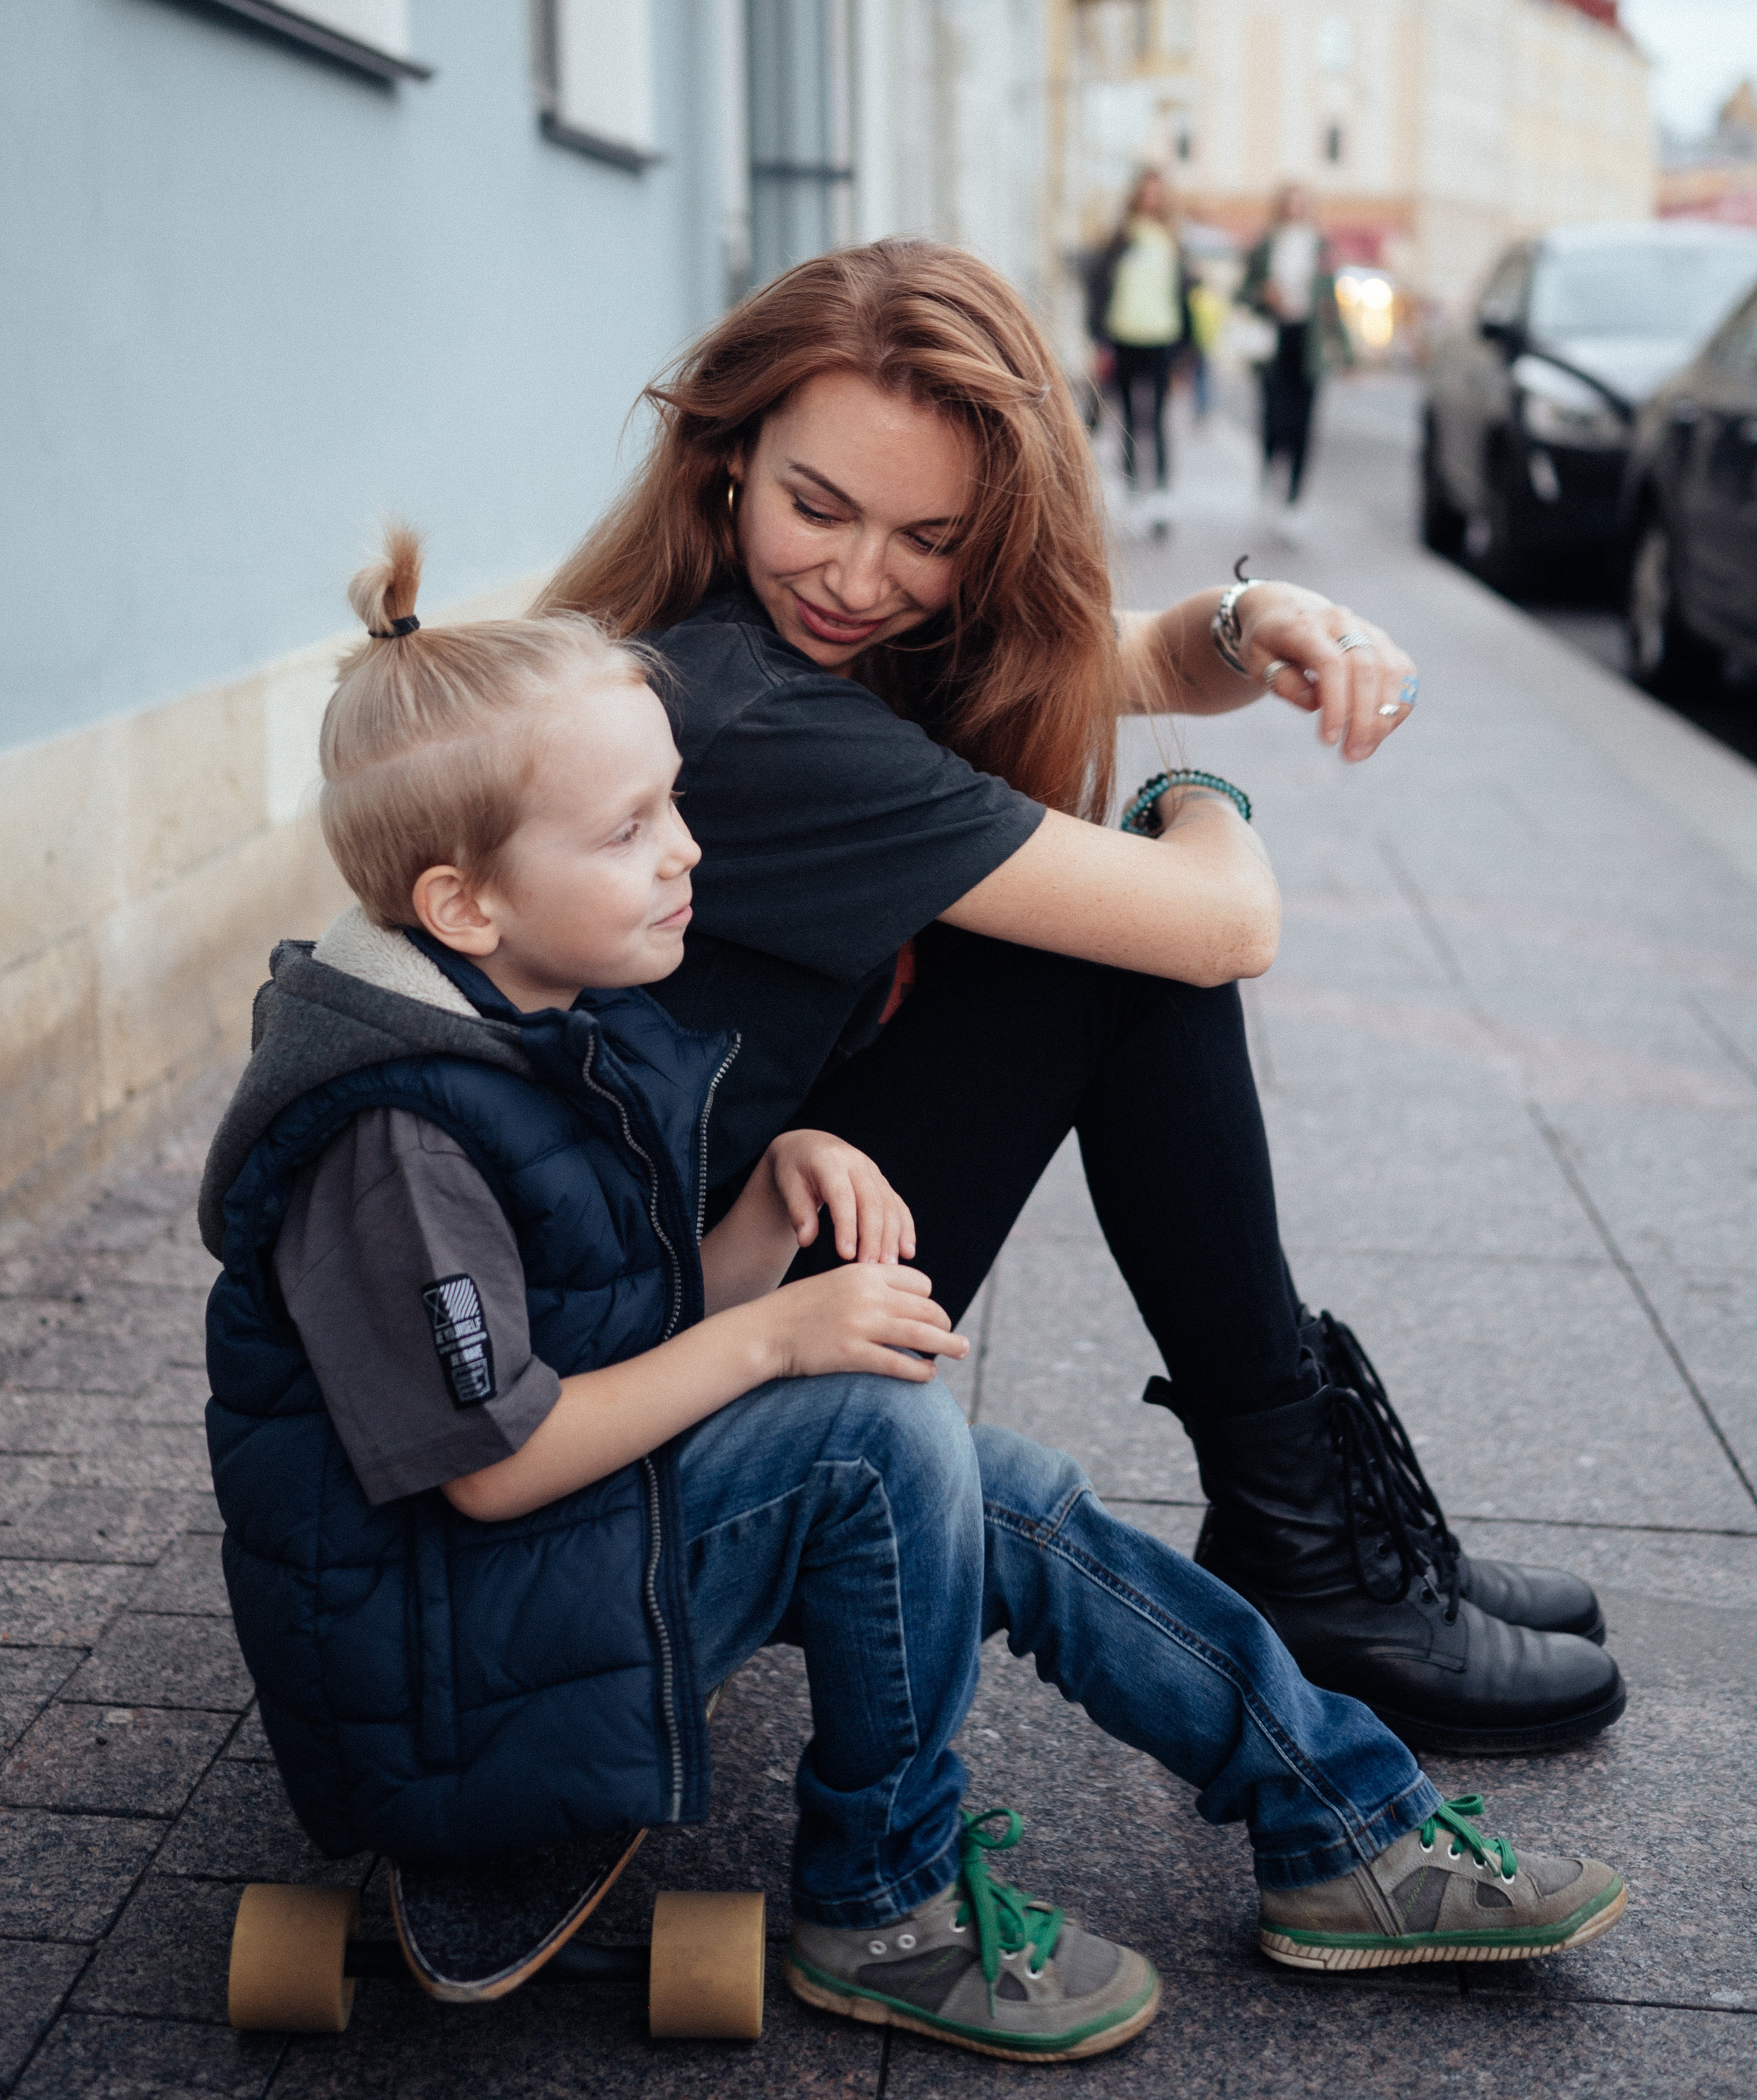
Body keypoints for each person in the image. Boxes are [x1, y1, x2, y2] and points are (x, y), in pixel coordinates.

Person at [200, 531, 1626, 2066]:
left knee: (990, 1487)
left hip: (539, 1581)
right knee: (873, 1440)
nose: (687, 847)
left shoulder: (535, 1013)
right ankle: (878, 1896)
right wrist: (773, 1332)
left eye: (674, 800)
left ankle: (1345, 1823)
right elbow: (493, 1465)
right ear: (464, 904)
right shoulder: (389, 1137)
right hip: (446, 1685)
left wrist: (768, 1198)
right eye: (629, 828)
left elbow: (614, 1320)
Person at [539, 237, 1627, 1759]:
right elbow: (1218, 925)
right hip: (663, 1379)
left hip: (686, 1256)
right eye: (818, 507)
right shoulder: (744, 719)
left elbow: (1104, 656)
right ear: (725, 462)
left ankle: (1306, 1529)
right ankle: (1303, 1549)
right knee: (1121, 958)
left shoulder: (760, 641)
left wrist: (1258, 622)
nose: (863, 579)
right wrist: (1195, 797)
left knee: (1097, 936)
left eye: (928, 536)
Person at [1242, 182, 1345, 534]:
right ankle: (1270, 477)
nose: (1295, 210)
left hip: (1308, 344)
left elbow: (1333, 302)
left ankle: (1295, 502)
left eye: (1302, 204)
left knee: (1304, 424)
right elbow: (1243, 292)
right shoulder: (1265, 245)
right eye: (1290, 203)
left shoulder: (1321, 247)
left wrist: (1346, 353)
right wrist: (1262, 294)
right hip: (1274, 340)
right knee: (1273, 418)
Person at [1084, 169, 1195, 496]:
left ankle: (1161, 490)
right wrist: (1099, 337)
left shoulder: (1172, 240)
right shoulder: (1120, 237)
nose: (1151, 199)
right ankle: (1132, 489)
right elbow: (1099, 289)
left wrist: (1188, 347)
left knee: (1159, 420)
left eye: (1157, 193)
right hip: (1124, 336)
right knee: (1129, 419)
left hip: (1162, 337)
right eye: (1145, 192)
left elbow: (1183, 293)